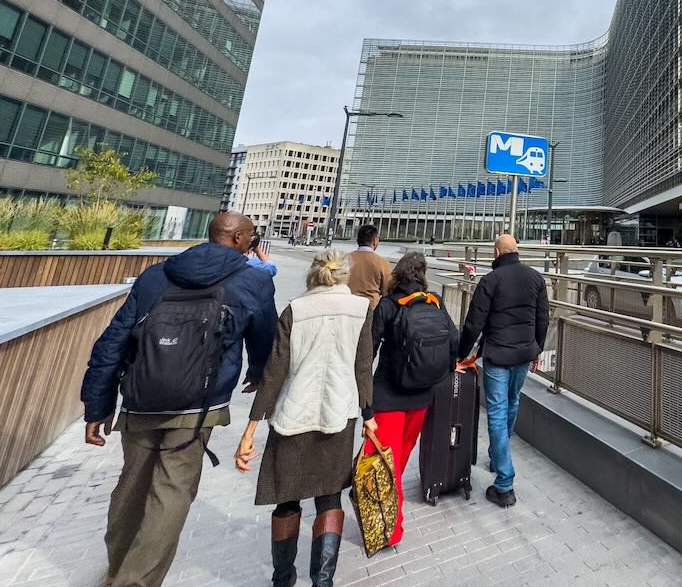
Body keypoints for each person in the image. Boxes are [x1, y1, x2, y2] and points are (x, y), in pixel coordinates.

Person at [80, 211, 278, 587]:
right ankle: (133, 581)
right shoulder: (252, 280)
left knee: (131, 486)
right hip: (199, 406)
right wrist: (257, 373)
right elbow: (264, 336)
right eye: (251, 235)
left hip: (141, 398)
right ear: (238, 239)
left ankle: (117, 569)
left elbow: (113, 341)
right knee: (171, 493)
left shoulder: (157, 275)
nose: (254, 241)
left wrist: (98, 404)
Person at [235, 250, 373, 587]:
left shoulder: (296, 309)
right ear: (344, 275)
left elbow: (274, 373)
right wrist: (368, 416)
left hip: (292, 416)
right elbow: (363, 369)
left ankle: (283, 578)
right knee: (329, 498)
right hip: (339, 415)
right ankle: (322, 581)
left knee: (286, 498)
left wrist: (250, 429)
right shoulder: (360, 310)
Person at [364, 251, 459, 546]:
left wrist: (363, 398)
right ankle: (387, 503)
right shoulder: (434, 302)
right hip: (422, 394)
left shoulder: (388, 306)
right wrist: (442, 372)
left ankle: (390, 529)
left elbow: (368, 351)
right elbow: (453, 341)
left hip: (389, 395)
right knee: (401, 455)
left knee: (382, 460)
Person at [458, 234, 549, 508]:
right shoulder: (536, 278)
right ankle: (499, 458)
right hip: (523, 355)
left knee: (497, 412)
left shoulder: (490, 281)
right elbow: (543, 318)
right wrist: (537, 349)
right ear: (516, 251)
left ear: (497, 252)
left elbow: (473, 323)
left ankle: (504, 481)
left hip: (497, 355)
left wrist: (460, 355)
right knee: (512, 403)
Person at [348, 224, 391, 309]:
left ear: (358, 240)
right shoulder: (382, 263)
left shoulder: (345, 259)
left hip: (347, 305)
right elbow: (387, 291)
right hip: (371, 308)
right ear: (375, 240)